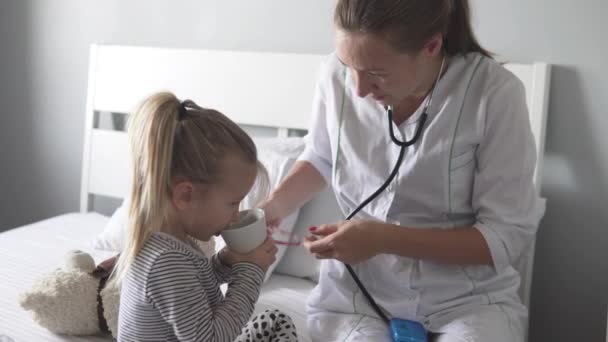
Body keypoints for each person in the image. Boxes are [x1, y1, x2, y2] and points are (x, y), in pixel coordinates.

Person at [261, 1, 544, 341]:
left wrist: (382, 239)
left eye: (377, 73)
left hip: (467, 303)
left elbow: (502, 238)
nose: (359, 89)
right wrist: (271, 209)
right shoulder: (334, 78)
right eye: (347, 65)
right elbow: (322, 156)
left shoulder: (494, 94)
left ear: (432, 46)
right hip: (355, 300)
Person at [112, 92, 298, 342]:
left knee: (274, 321)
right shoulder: (166, 262)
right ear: (185, 196)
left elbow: (194, 285)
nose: (236, 215)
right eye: (232, 203)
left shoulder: (168, 244)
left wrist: (226, 261)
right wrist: (251, 271)